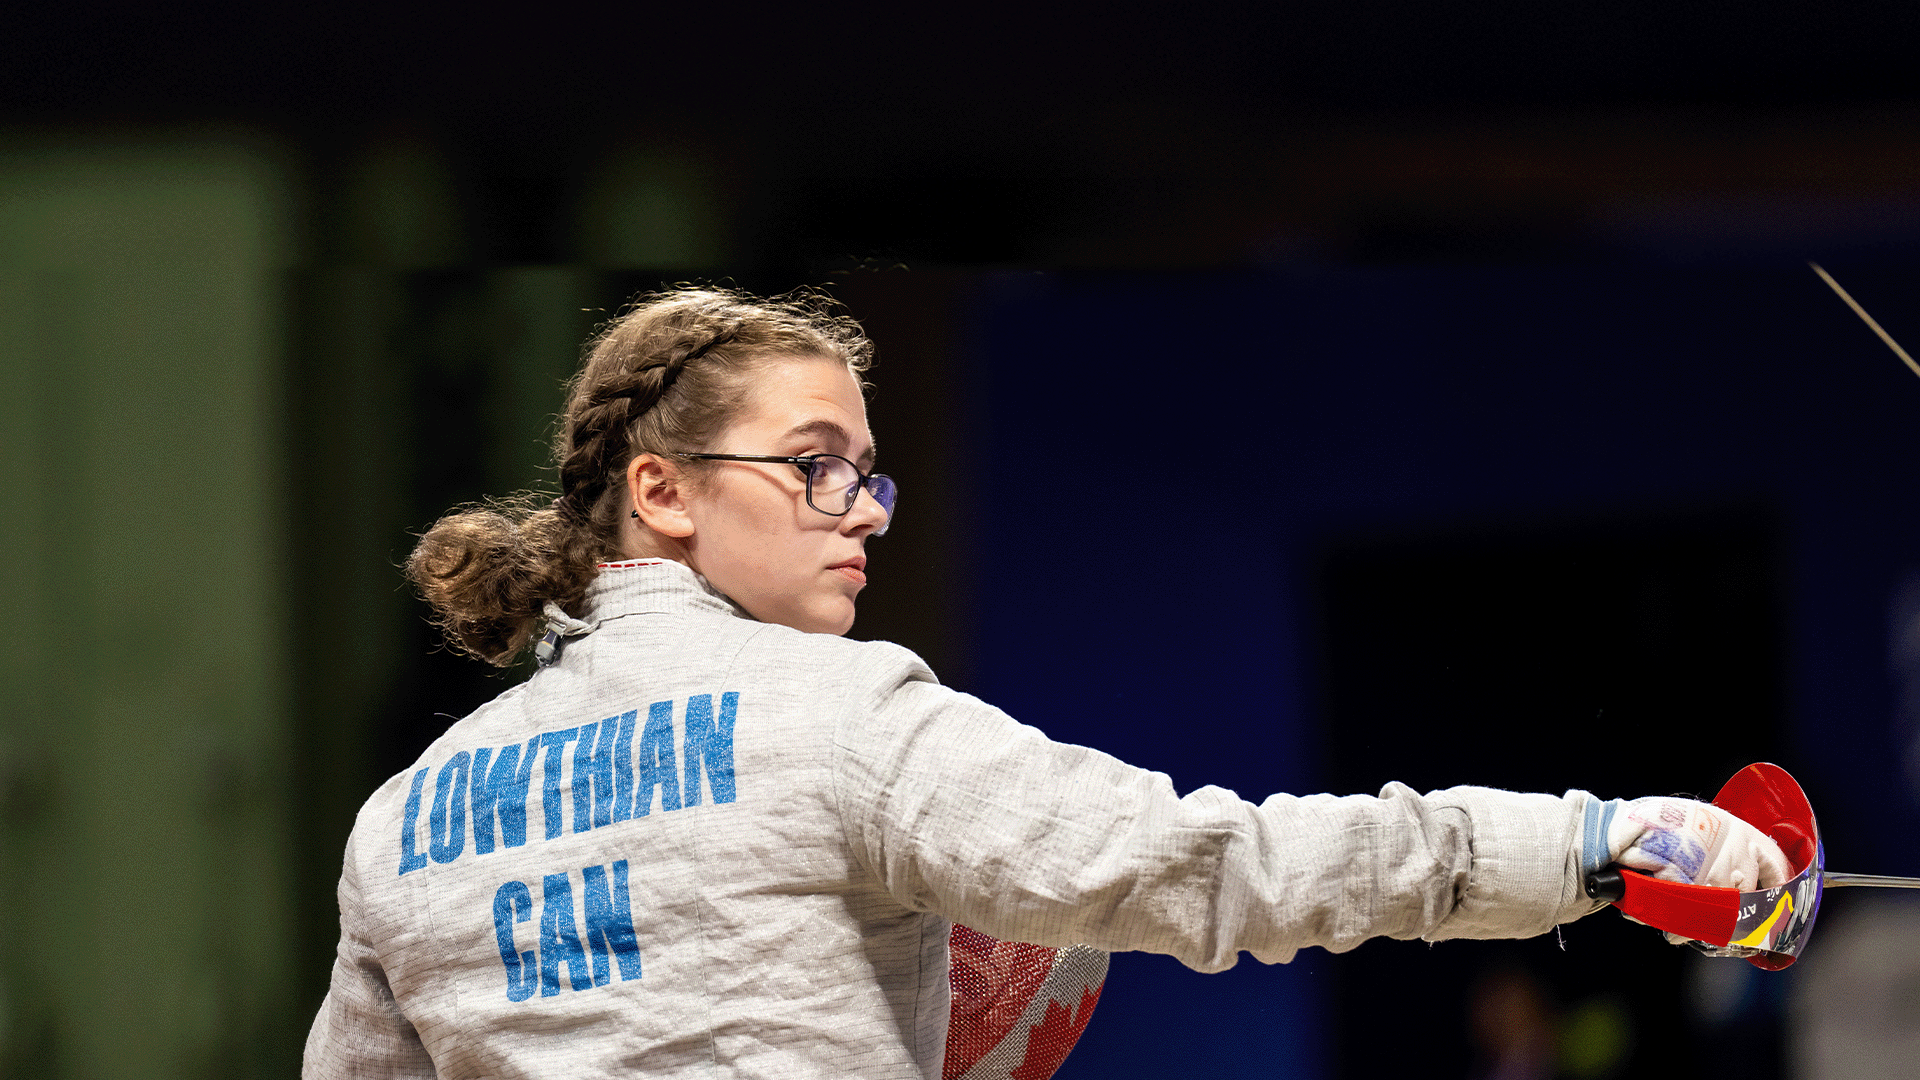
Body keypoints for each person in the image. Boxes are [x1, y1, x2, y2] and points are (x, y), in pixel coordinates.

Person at [302, 287, 1791, 1079]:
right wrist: (1600, 842)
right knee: (1044, 933)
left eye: (872, 478)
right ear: (663, 490)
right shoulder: (837, 717)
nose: (862, 515)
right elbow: (1214, 868)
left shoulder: (405, 819)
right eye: (815, 468)